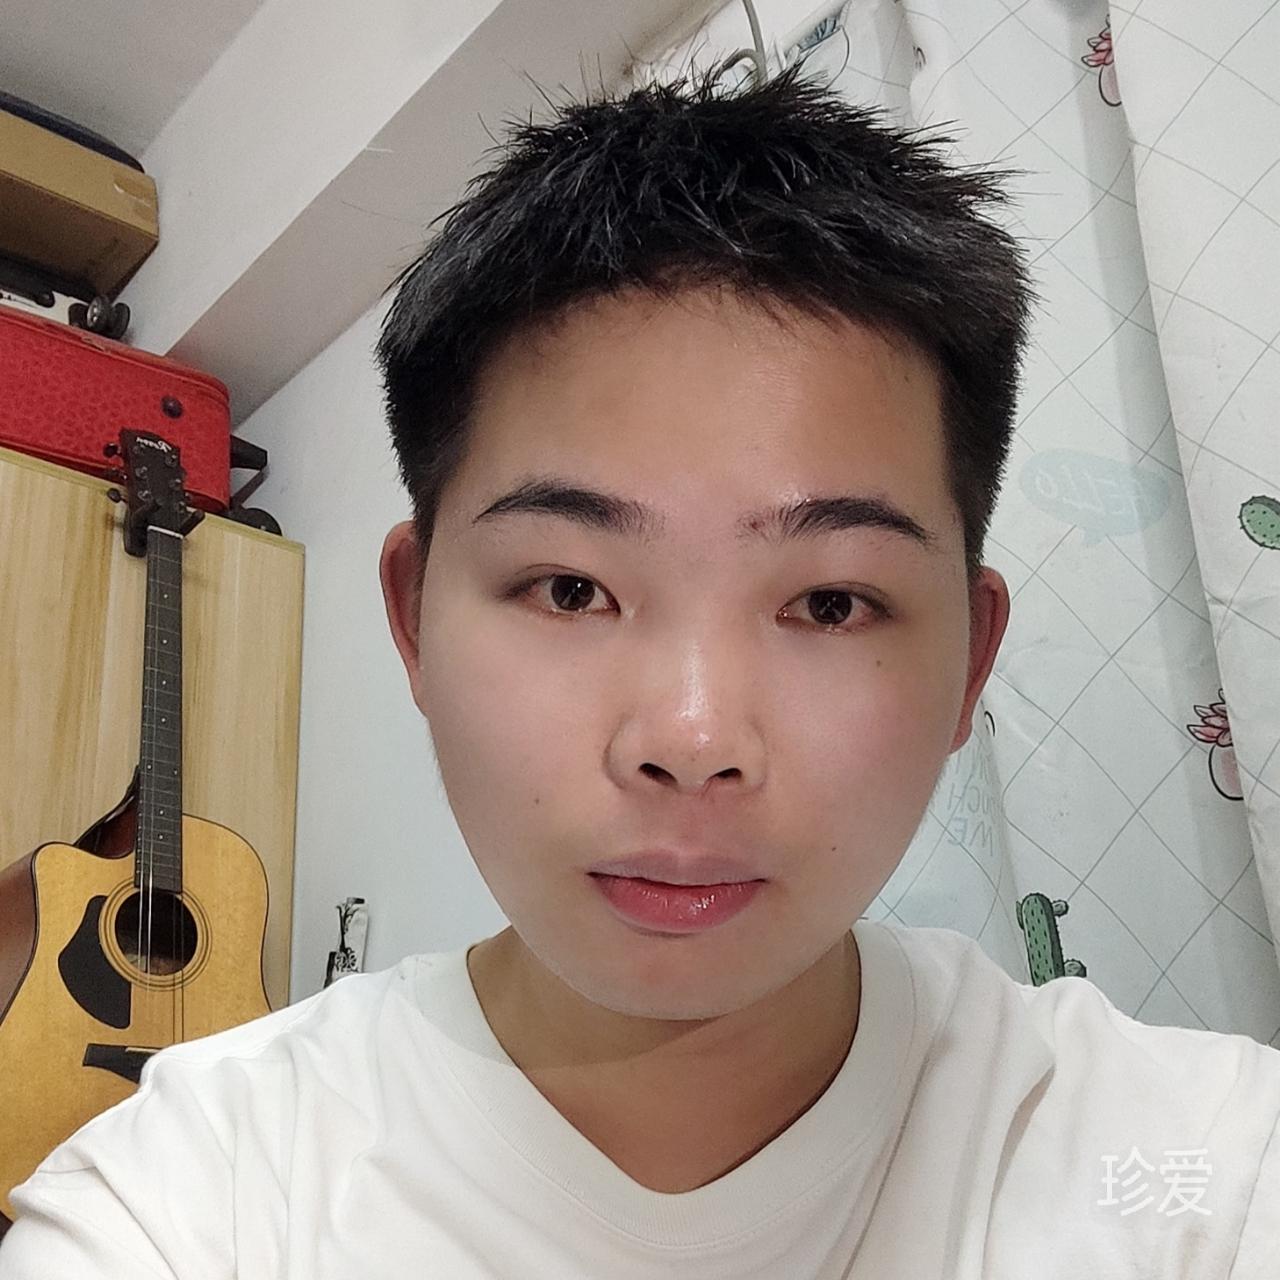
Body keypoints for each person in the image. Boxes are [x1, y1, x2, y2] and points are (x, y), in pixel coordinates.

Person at [2, 61, 1277, 1280]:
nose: (690, 735)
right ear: (412, 618)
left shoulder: (1200, 1163)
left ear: (968, 663)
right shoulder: (191, 1190)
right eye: (570, 588)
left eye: (829, 601)